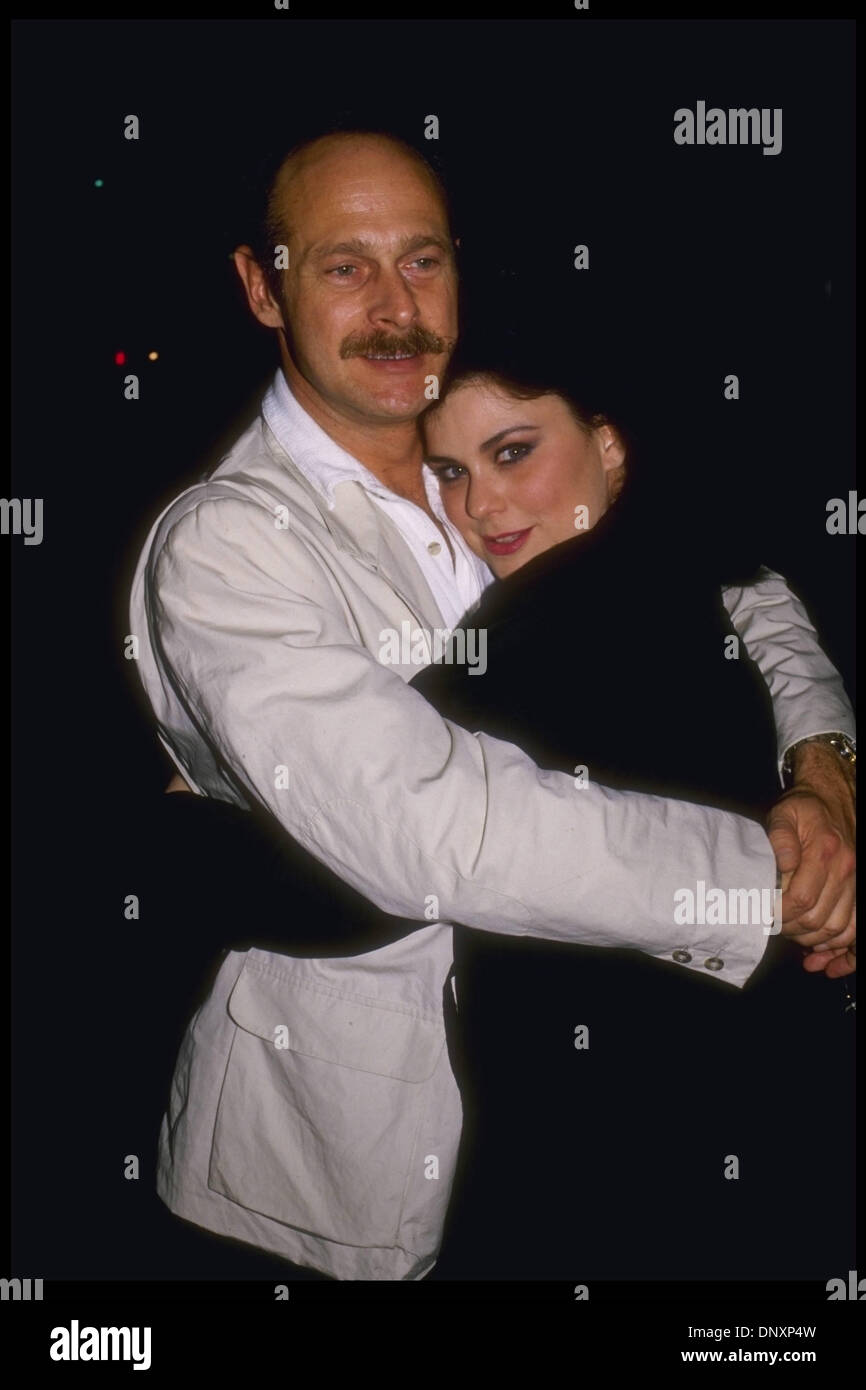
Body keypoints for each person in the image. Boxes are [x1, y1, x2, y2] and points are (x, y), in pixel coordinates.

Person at [128, 128, 855, 1281]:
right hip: (337, 1171)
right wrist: (775, 879)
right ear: (261, 288)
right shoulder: (226, 543)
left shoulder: (477, 436)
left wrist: (823, 768)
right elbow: (441, 830)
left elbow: (737, 580)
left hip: (578, 1106)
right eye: (341, 264)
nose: (393, 304)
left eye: (421, 259)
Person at [409, 358, 856, 1278]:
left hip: (630, 1136)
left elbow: (388, 800)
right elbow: (765, 601)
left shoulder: (543, 621)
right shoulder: (693, 563)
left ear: (607, 446)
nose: (482, 504)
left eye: (512, 452)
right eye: (452, 471)